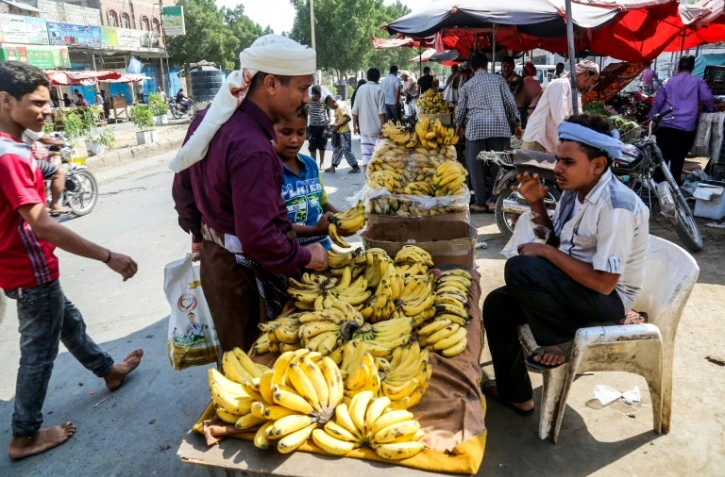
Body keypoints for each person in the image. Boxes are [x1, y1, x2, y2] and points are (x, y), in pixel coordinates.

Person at [0, 61, 142, 460]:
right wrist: (107, 256)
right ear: (5, 100)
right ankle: (24, 436)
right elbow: (44, 226)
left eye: (48, 102)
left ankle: (108, 371)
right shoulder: (8, 156)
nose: (47, 110)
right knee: (39, 354)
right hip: (31, 270)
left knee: (69, 323)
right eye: (37, 103)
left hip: (23, 267)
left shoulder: (16, 145)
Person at [482, 114, 649, 415]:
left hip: (606, 299)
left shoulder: (616, 206)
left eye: (568, 162)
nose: (557, 168)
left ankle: (563, 339)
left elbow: (604, 282)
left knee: (521, 268)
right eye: (558, 159)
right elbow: (557, 242)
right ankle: (516, 394)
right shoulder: (574, 193)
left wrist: (544, 254)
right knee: (497, 305)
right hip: (574, 286)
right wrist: (535, 204)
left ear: (598, 165)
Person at [171, 35, 327, 354]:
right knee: (254, 367)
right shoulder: (253, 149)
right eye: (301, 88)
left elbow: (182, 190)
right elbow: (259, 238)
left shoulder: (207, 120)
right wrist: (307, 256)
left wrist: (197, 232)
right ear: (270, 83)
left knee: (233, 355)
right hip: (244, 274)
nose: (307, 98)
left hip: (217, 263)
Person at [455, 53, 522, 213]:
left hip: (476, 128)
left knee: (475, 165)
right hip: (499, 126)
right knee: (499, 165)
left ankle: (479, 202)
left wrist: (459, 125)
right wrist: (517, 123)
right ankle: (494, 200)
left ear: (472, 68)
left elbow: (461, 109)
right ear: (487, 65)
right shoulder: (499, 80)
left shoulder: (468, 85)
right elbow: (510, 102)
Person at [273, 106, 340, 250]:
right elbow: (272, 223)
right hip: (290, 254)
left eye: (301, 132)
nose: (294, 139)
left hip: (322, 247)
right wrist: (315, 230)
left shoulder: (310, 164)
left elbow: (323, 202)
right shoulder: (267, 170)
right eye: (286, 132)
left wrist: (344, 218)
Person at [648, 55, 715, 186]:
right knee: (678, 159)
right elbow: (707, 98)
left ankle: (658, 187)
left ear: (678, 67)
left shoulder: (668, 81)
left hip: (665, 125)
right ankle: (675, 187)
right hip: (685, 128)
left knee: (661, 158)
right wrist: (712, 109)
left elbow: (658, 102)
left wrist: (650, 116)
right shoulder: (698, 82)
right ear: (693, 68)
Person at [522, 60, 600, 153]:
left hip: (551, 142)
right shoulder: (561, 84)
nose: (591, 85)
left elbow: (578, 118)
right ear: (586, 74)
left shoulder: (577, 93)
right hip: (538, 139)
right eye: (593, 81)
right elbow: (559, 116)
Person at [21, 128, 69, 215]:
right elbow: (44, 139)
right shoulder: (24, 123)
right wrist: (60, 142)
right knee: (59, 173)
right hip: (25, 161)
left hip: (23, 159)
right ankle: (55, 206)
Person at [351, 68, 386, 168]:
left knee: (366, 160)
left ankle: (367, 180)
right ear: (378, 78)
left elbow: (355, 111)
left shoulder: (360, 89)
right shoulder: (379, 90)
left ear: (367, 77)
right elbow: (381, 113)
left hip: (364, 130)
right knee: (378, 160)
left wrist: (354, 127)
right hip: (377, 131)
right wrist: (384, 129)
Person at [324, 95, 360, 174]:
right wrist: (335, 126)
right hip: (339, 131)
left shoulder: (340, 108)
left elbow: (348, 118)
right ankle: (333, 166)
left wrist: (338, 125)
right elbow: (339, 118)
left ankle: (355, 166)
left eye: (330, 105)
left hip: (345, 131)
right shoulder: (336, 106)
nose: (330, 107)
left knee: (346, 149)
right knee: (336, 149)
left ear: (333, 101)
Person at [307, 85, 331, 168]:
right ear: (312, 94)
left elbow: (327, 109)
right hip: (313, 126)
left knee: (322, 145)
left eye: (319, 96)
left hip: (323, 126)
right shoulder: (308, 101)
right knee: (312, 146)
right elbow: (305, 110)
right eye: (316, 96)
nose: (317, 97)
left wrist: (329, 118)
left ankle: (322, 163)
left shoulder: (324, 100)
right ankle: (314, 164)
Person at [519, 63, 543, 128]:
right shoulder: (537, 83)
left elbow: (521, 103)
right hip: (537, 112)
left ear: (525, 72)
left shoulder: (523, 83)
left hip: (527, 113)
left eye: (523, 70)